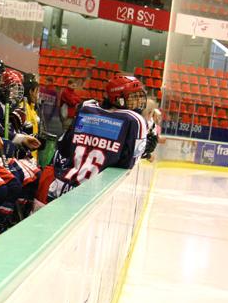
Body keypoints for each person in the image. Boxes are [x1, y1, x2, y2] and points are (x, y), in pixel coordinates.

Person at [34, 75, 148, 210]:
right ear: (118, 98)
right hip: (94, 196)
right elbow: (128, 165)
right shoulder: (135, 120)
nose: (138, 101)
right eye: (133, 97)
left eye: (139, 97)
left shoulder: (86, 108)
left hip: (61, 185)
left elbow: (64, 148)